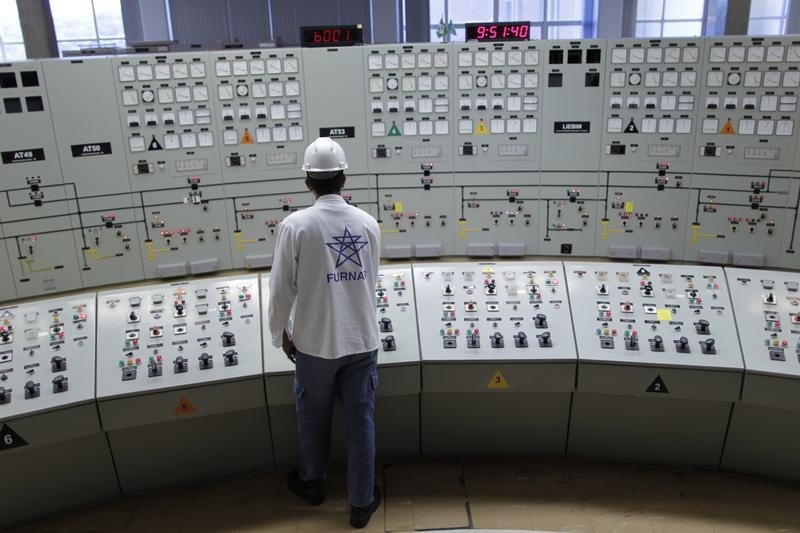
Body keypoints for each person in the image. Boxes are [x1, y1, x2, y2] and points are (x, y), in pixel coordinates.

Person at [268, 137, 382, 529]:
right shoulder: (367, 223)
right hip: (361, 340)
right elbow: (370, 280)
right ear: (344, 177)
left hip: (314, 345)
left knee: (313, 418)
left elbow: (281, 289)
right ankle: (361, 502)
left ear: (308, 183)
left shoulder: (295, 226)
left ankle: (312, 484)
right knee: (360, 422)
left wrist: (280, 333)